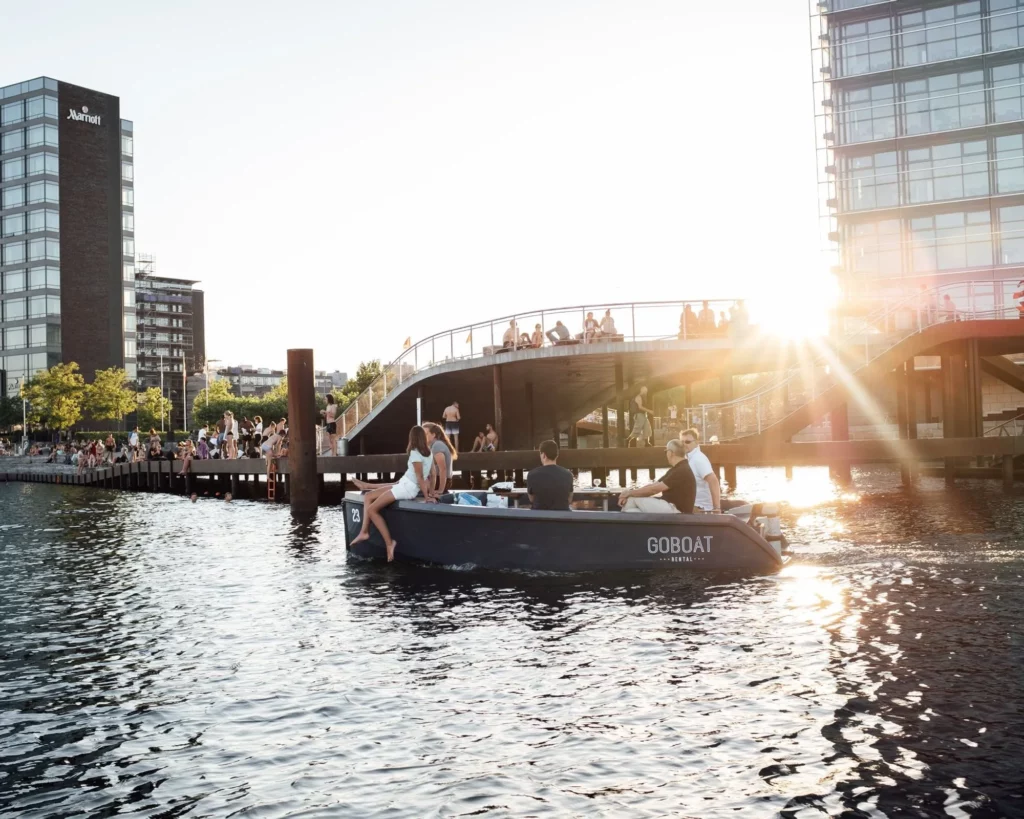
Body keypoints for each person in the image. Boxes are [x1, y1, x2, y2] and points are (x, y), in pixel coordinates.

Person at [351, 425, 434, 561]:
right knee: (368, 496)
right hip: (405, 483)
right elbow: (429, 475)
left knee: (372, 510)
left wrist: (427, 496)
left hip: (408, 488)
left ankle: (389, 543)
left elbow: (420, 477)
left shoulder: (415, 452)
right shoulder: (428, 453)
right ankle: (364, 532)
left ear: (412, 437)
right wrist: (430, 493)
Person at [618, 440, 696, 514]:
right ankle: (621, 524)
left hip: (676, 510)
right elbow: (653, 485)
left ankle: (617, 524)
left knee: (633, 499)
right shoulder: (678, 468)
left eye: (666, 452)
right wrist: (629, 493)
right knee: (631, 511)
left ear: (670, 453)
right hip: (670, 507)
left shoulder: (681, 470)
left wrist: (629, 493)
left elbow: (654, 490)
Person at [679, 428, 721, 513]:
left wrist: (717, 508)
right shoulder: (688, 458)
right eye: (682, 442)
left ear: (696, 442)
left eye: (687, 442)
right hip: (692, 506)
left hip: (700, 508)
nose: (684, 444)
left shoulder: (698, 459)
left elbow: (713, 481)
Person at [527, 439, 574, 510]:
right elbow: (569, 500)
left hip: (539, 517)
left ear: (543, 455)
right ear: (557, 455)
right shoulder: (568, 474)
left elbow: (531, 499)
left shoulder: (532, 474)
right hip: (562, 516)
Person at [423, 421, 457, 497]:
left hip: (439, 481)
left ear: (433, 435)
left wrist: (440, 490)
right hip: (435, 479)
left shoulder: (437, 445)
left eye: (425, 434)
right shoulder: (432, 445)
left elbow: (443, 469)